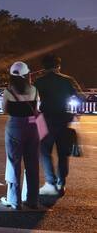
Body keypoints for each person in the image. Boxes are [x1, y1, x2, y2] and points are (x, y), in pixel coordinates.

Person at [34, 54, 83, 196]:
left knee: (44, 151)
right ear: (58, 66)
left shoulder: (39, 81)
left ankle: (50, 182)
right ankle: (61, 183)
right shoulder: (68, 80)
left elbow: (33, 99)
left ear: (44, 67)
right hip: (63, 118)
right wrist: (75, 112)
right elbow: (81, 97)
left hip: (44, 119)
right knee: (63, 153)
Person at [0, 61, 40, 210]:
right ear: (26, 74)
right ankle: (32, 200)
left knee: (13, 162)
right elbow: (36, 108)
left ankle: (14, 200)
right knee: (32, 163)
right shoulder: (34, 89)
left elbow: (5, 110)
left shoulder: (8, 91)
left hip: (15, 126)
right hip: (32, 126)